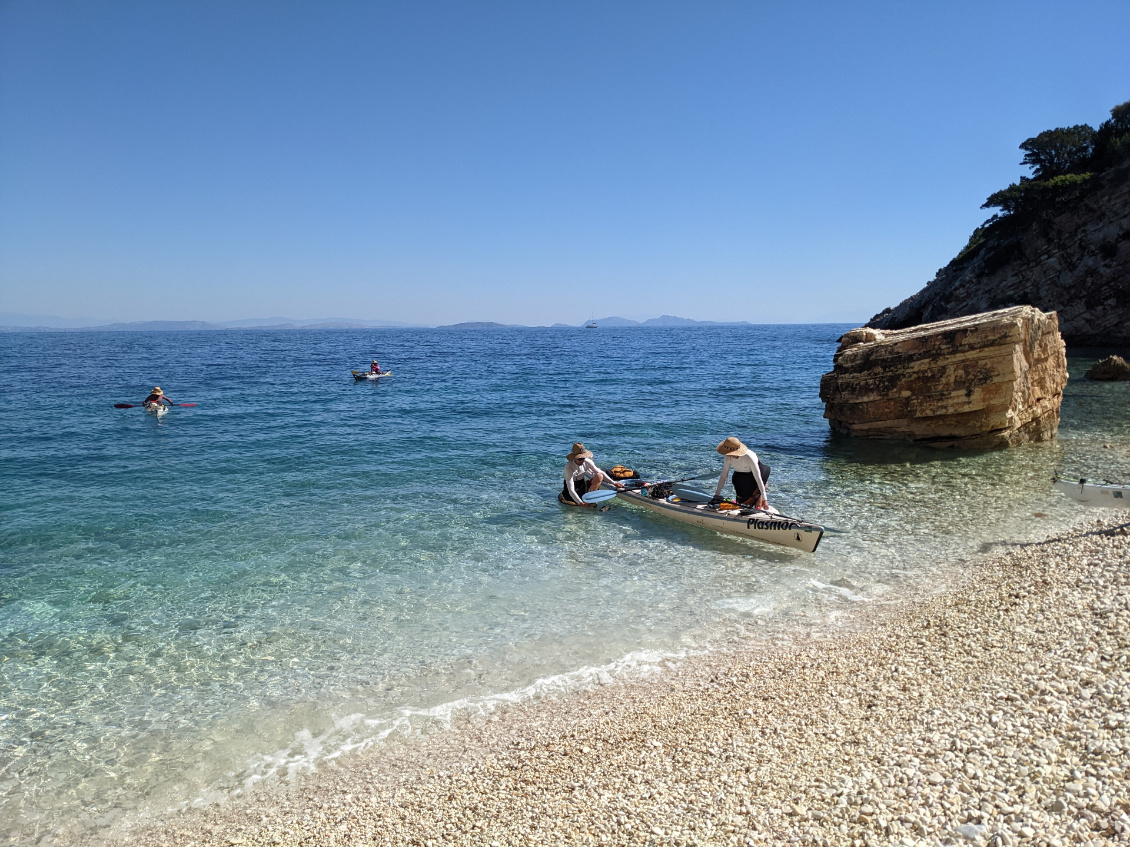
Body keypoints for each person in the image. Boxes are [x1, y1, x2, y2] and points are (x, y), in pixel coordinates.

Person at [713, 437, 770, 509]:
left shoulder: (749, 457)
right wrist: (717, 494)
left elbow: (758, 478)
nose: (727, 454)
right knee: (741, 504)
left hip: (760, 474)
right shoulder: (728, 457)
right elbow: (724, 475)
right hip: (741, 477)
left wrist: (765, 499)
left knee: (756, 505)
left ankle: (762, 494)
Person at [563, 443, 624, 507]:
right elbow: (571, 489)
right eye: (579, 459)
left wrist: (614, 483)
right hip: (570, 488)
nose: (582, 461)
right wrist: (580, 503)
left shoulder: (587, 462)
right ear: (574, 458)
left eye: (583, 458)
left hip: (581, 484)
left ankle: (591, 499)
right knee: (575, 505)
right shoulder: (568, 467)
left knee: (599, 475)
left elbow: (601, 473)